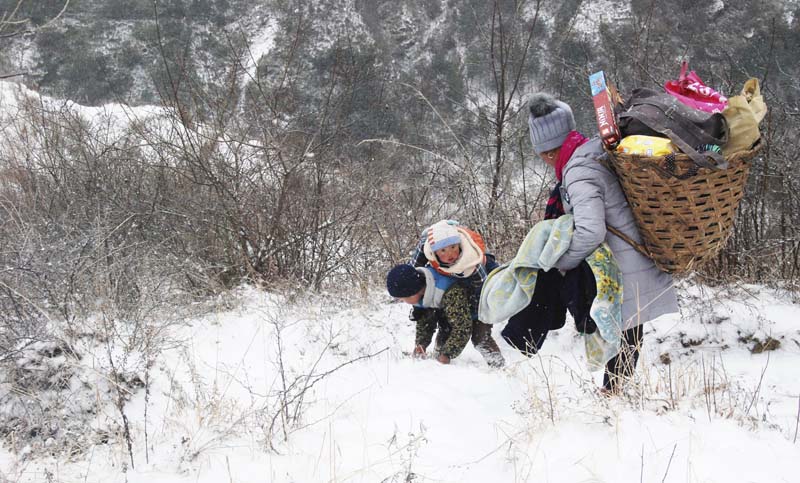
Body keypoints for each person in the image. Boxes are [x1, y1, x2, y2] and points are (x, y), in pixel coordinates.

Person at [516, 92, 678, 392]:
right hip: (633, 255)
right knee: (627, 331)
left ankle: (612, 394)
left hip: (622, 262)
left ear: (545, 151)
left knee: (623, 332)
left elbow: (591, 231)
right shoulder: (592, 151)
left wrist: (562, 261)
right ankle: (614, 391)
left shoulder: (577, 172)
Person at [387, 235, 504, 367]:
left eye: (404, 298)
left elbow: (463, 328)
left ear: (415, 290)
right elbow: (425, 322)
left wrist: (447, 354)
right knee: (445, 331)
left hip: (479, 304)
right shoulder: (423, 292)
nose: (404, 301)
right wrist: (422, 344)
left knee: (480, 338)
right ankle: (438, 358)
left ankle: (498, 365)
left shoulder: (448, 291)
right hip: (456, 309)